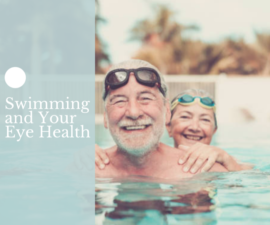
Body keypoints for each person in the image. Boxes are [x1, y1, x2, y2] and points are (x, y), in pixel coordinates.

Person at [95, 59, 230, 179]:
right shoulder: (87, 170)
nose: (133, 112)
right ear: (105, 116)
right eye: (120, 100)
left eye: (145, 99)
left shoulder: (203, 171)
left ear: (167, 111)